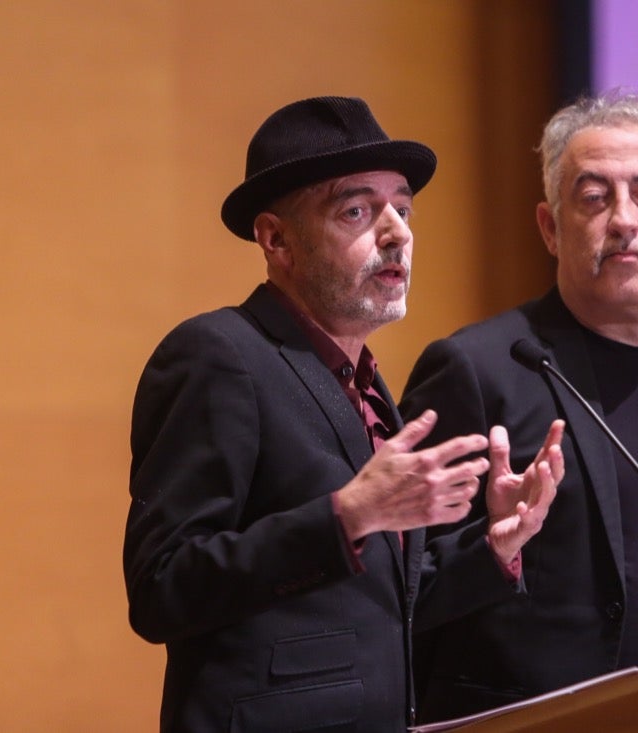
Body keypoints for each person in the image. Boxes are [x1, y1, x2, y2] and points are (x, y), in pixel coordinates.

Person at [122, 96, 563, 733]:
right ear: (276, 239)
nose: (397, 233)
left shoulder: (367, 384)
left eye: (403, 209)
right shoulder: (220, 355)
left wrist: (492, 547)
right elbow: (162, 588)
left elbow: (371, 606)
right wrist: (350, 514)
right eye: (357, 210)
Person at [400, 90, 638, 721]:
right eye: (594, 197)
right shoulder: (478, 370)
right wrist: (493, 548)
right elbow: (397, 591)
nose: (624, 218)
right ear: (549, 226)